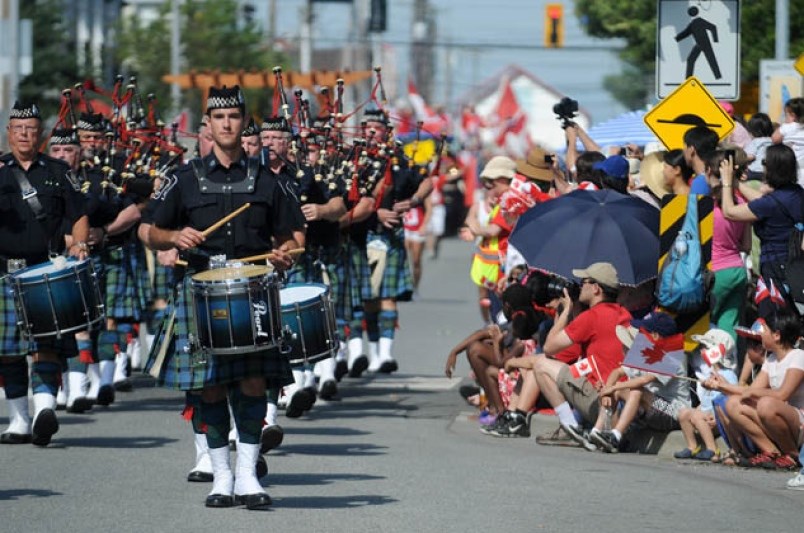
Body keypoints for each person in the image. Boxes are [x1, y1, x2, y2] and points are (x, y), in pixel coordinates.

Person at [146, 85, 303, 509]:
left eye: (234, 117)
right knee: (209, 389)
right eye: (219, 118)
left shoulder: (268, 181)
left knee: (253, 382)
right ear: (208, 125)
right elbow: (148, 229)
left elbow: (294, 236)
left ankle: (249, 476)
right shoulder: (183, 178)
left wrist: (284, 254)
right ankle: (221, 476)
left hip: (253, 293)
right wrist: (174, 236)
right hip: (200, 291)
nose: (227, 124)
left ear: (243, 121)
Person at [0, 101, 89, 446]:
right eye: (19, 129)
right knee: (6, 352)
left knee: (45, 347)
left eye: (32, 129)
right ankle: (20, 419)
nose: (25, 135)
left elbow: (79, 215)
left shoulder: (57, 170)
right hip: (3, 271)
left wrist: (79, 245)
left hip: (43, 270)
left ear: (41, 134)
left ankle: (44, 410)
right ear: (9, 132)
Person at [362, 108, 432, 373]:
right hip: (363, 234)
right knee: (367, 298)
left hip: (390, 237)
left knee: (387, 296)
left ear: (386, 132)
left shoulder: (399, 161)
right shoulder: (351, 161)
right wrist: (375, 211)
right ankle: (371, 352)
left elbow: (427, 183)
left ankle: (385, 354)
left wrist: (413, 201)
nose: (371, 131)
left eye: (376, 128)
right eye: (367, 126)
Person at [533, 262, 632, 449]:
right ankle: (581, 427)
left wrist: (566, 312)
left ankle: (570, 427)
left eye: (584, 281)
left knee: (540, 364)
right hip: (621, 403)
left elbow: (548, 348)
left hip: (604, 404)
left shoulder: (591, 316)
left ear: (596, 288)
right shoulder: (624, 312)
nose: (580, 286)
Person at [720, 144, 804, 312]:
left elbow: (730, 212)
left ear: (772, 168)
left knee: (775, 319)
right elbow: (763, 201)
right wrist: (738, 184)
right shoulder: (797, 192)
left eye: (764, 162)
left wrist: (727, 183)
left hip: (775, 269)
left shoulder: (771, 204)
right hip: (795, 266)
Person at [589, 312, 691, 453]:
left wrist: (613, 387)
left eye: (644, 331)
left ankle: (616, 436)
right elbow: (617, 372)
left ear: (655, 335)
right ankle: (597, 431)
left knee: (637, 390)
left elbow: (644, 380)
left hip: (673, 412)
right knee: (618, 390)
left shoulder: (674, 355)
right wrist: (608, 389)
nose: (641, 333)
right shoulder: (649, 351)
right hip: (653, 406)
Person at [715, 310, 804, 470]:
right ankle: (771, 451)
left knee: (766, 404)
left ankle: (792, 455)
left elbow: (783, 394)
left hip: (799, 419)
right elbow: (750, 392)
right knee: (734, 403)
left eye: (764, 330)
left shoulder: (798, 356)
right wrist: (722, 386)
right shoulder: (771, 360)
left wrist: (753, 392)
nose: (761, 335)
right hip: (781, 416)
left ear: (776, 335)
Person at [704, 150, 751, 338]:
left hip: (715, 273)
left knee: (705, 328)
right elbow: (746, 245)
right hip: (737, 271)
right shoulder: (741, 203)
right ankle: (728, 367)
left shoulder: (707, 205)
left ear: (708, 172)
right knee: (728, 330)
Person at [673, 328, 738, 461]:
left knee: (696, 416)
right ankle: (692, 447)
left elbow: (731, 399)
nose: (701, 351)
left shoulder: (728, 375)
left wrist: (717, 418)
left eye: (705, 348)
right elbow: (707, 399)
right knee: (684, 413)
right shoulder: (710, 374)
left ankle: (713, 450)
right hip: (704, 413)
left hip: (715, 418)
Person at [772, 97, 804, 186]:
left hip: (792, 168)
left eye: (785, 115)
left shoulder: (788, 127)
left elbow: (774, 138)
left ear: (793, 116)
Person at [683, 125, 720, 194]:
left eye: (684, 147)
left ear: (691, 150)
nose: (683, 152)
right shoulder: (718, 177)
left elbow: (694, 205)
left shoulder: (700, 182)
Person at [744, 113, 774, 181]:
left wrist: (740, 158)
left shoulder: (755, 142)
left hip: (754, 172)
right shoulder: (771, 141)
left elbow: (751, 156)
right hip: (768, 172)